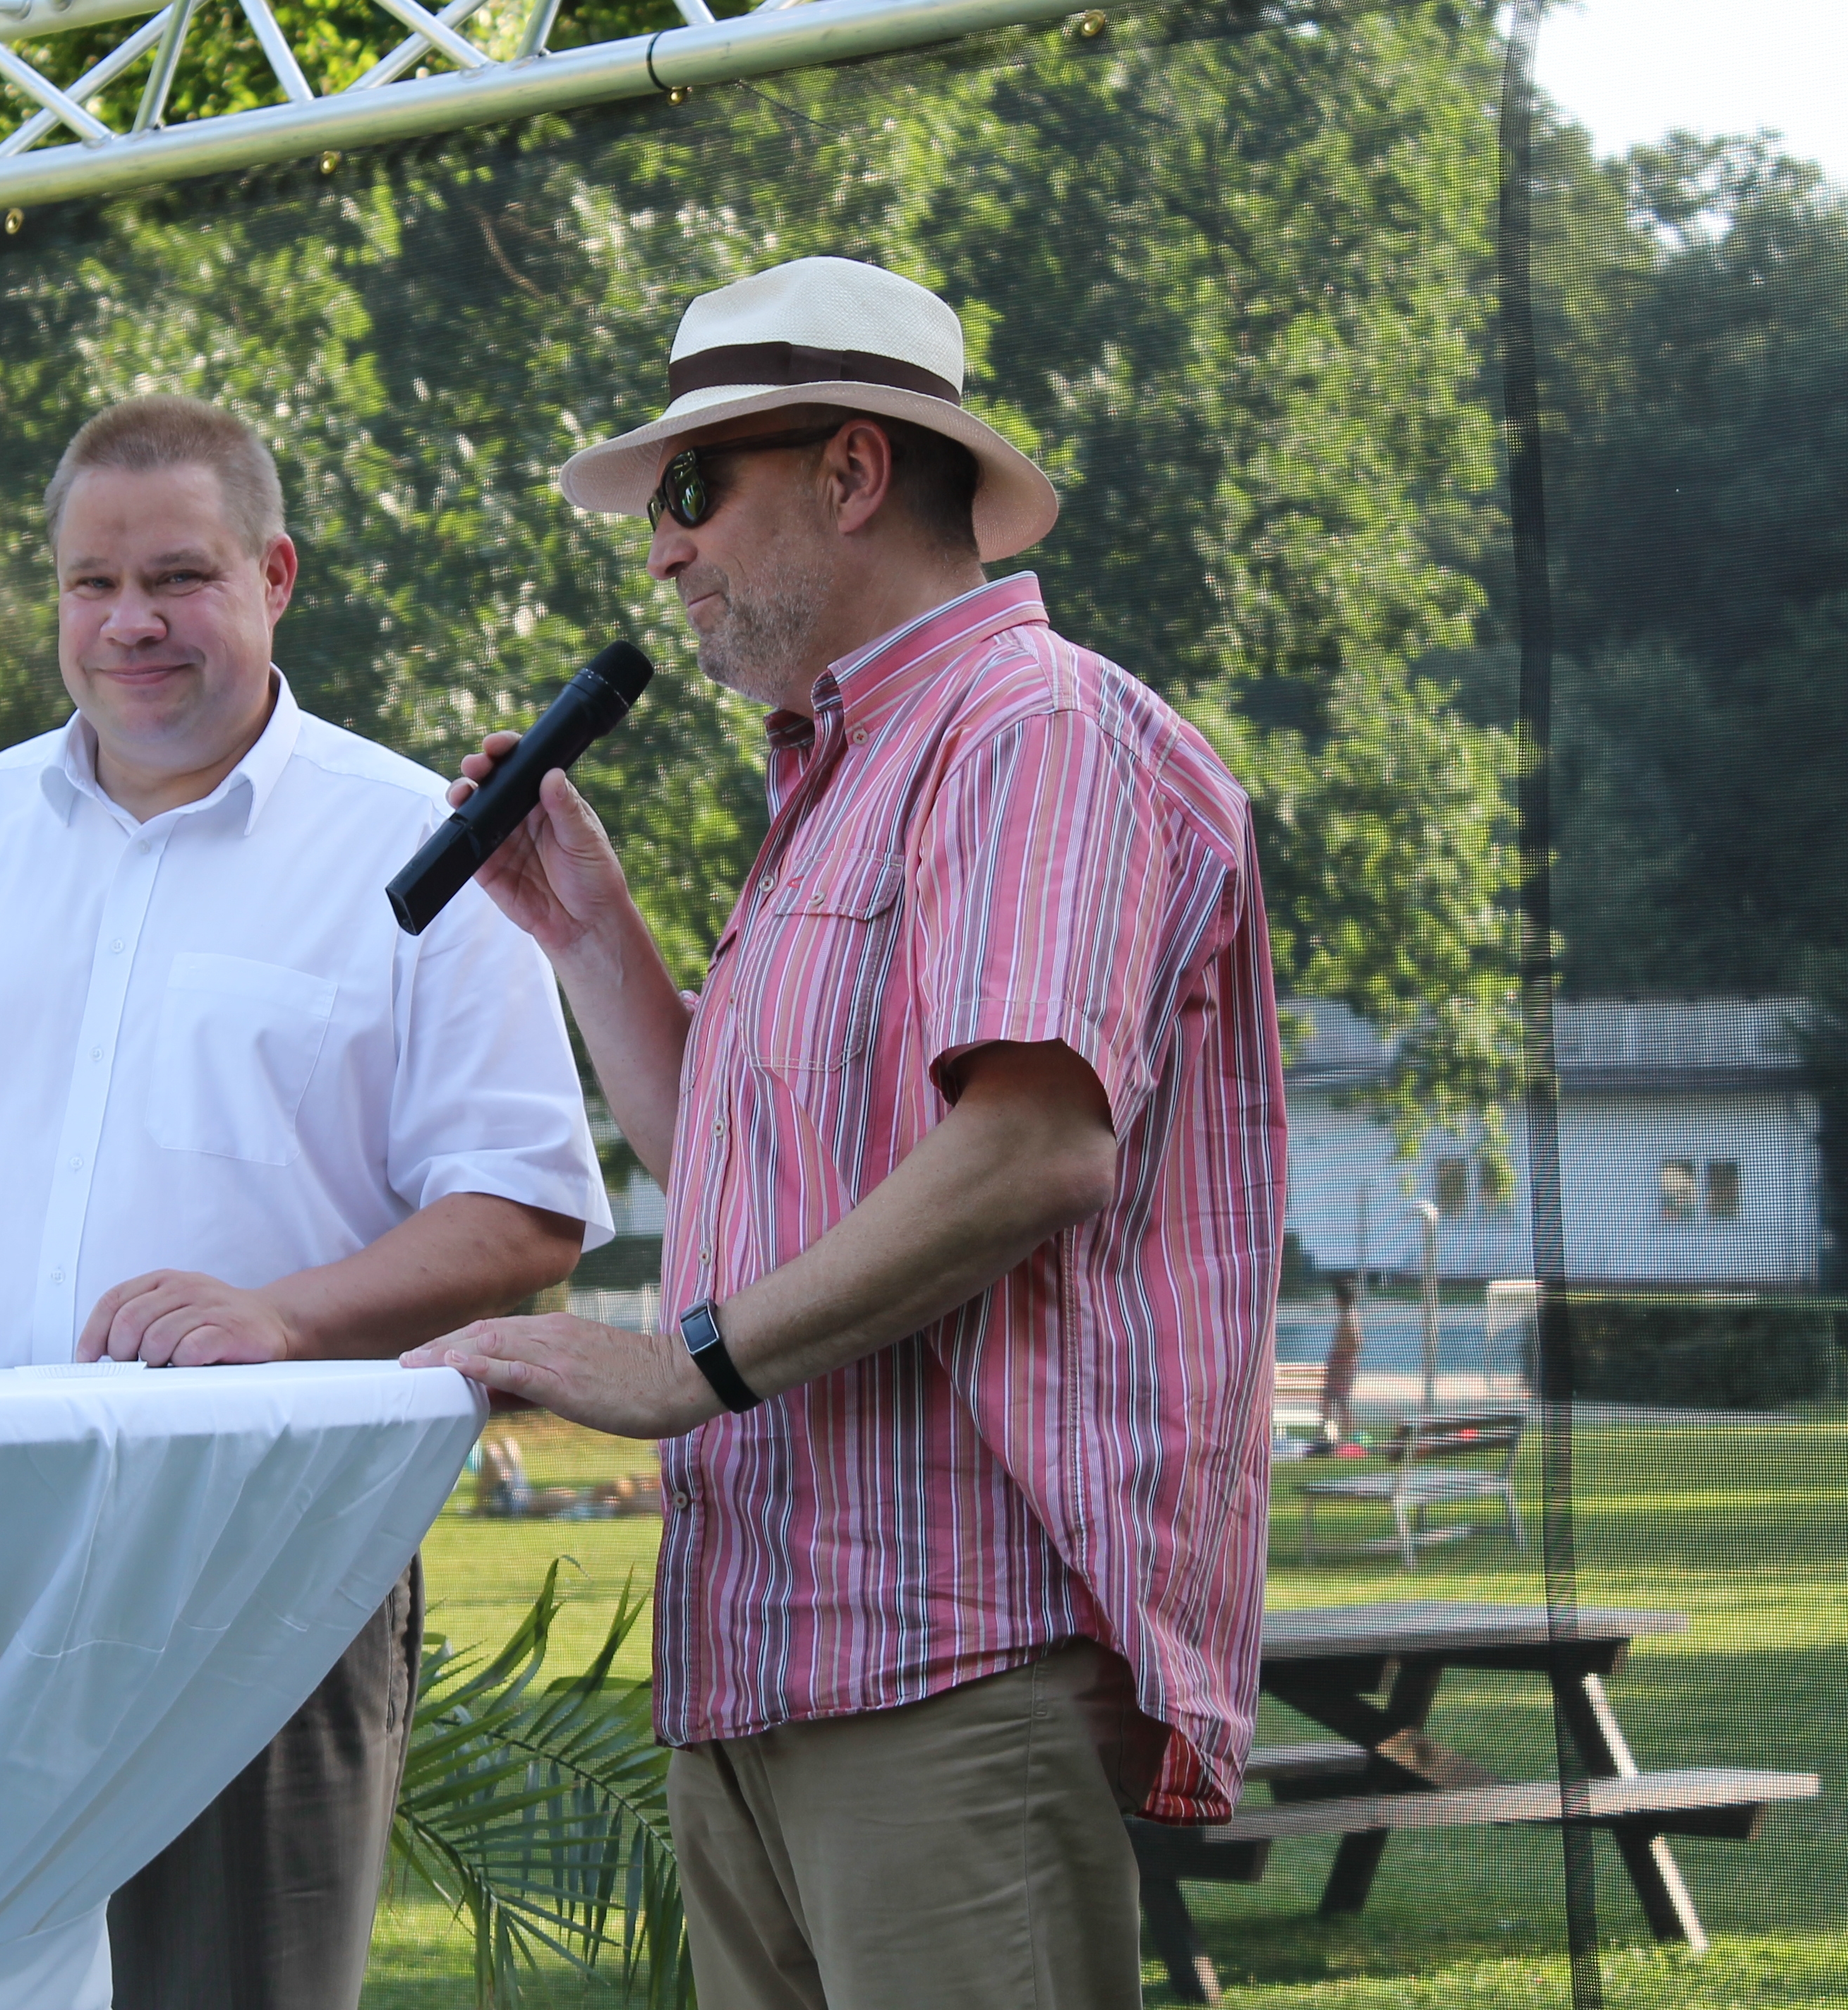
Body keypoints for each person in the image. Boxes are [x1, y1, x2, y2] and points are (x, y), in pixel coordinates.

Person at [0, 395, 610, 2010]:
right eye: (93, 584)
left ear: (275, 573)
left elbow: (524, 1219)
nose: (130, 622)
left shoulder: (426, 849)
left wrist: (282, 1313)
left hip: (259, 1563)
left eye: (177, 574)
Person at [403, 258, 1288, 2009]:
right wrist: (588, 930)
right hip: (766, 1663)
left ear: (853, 472)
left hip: (949, 1668)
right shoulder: (843, 771)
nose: (658, 548)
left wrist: (682, 1366)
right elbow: (759, 1181)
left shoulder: (1028, 729)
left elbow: (1033, 1146)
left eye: (685, 490)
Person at [1322, 1276, 1367, 1446]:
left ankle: (1340, 1436)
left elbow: (1357, 1341)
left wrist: (1343, 1358)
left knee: (1335, 1399)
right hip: (1340, 1363)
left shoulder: (1350, 1315)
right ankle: (1336, 1435)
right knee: (1337, 1401)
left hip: (1342, 1364)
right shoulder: (1349, 1314)